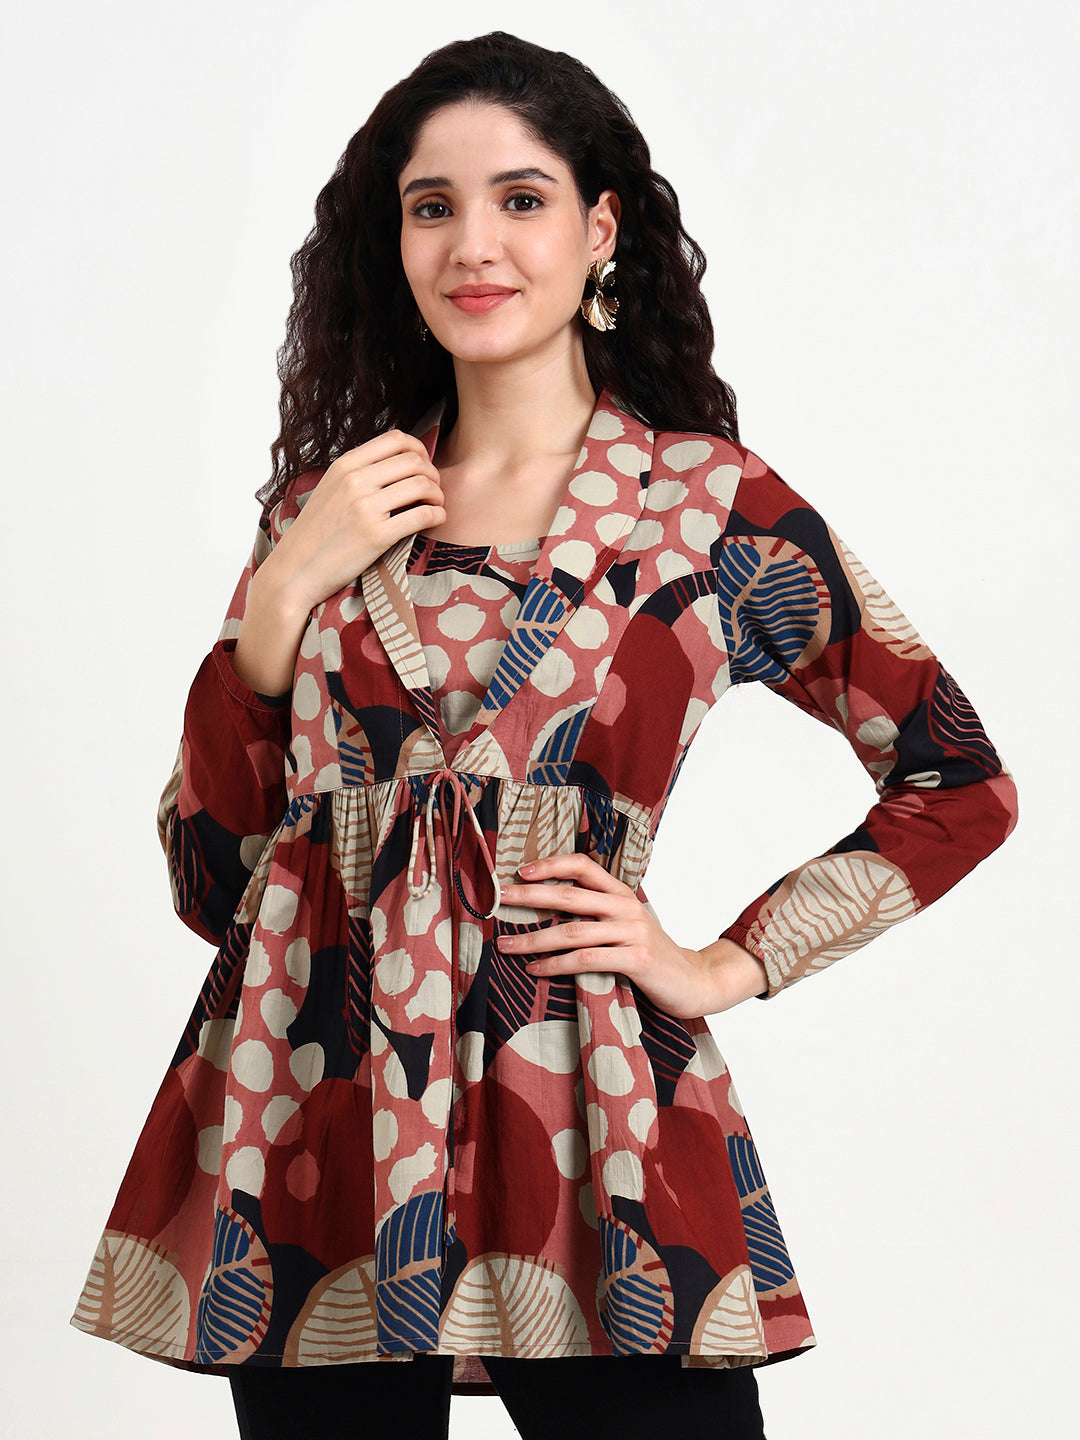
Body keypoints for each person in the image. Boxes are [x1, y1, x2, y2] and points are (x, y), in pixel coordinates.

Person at [71, 30, 1018, 1440]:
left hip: (592, 1118)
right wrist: (275, 604)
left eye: (520, 199)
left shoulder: (709, 506)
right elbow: (218, 887)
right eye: (432, 206)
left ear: (601, 229)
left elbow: (958, 783)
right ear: (394, 242)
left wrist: (722, 961)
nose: (474, 244)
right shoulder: (327, 511)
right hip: (316, 1114)